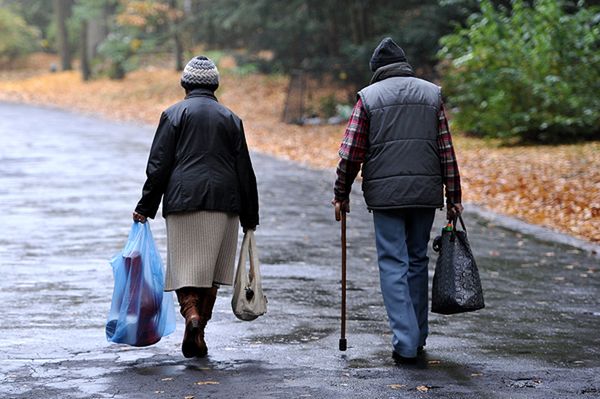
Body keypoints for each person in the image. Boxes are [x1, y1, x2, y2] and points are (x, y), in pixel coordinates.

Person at [332, 37, 463, 364]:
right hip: (424, 194)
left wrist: (340, 192)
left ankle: (405, 342)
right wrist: (454, 195)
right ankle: (417, 336)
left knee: (393, 262)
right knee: (417, 260)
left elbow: (351, 154)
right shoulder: (431, 94)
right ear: (404, 64)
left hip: (386, 197)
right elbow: (446, 149)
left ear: (377, 70)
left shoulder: (368, 98)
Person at [133, 56, 259, 358]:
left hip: (182, 201)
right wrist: (250, 216)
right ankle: (199, 330)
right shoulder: (231, 118)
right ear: (214, 85)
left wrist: (146, 205)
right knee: (212, 271)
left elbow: (159, 166)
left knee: (184, 269)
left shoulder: (173, 114)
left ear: (185, 83)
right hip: (224, 203)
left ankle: (190, 314)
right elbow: (245, 170)